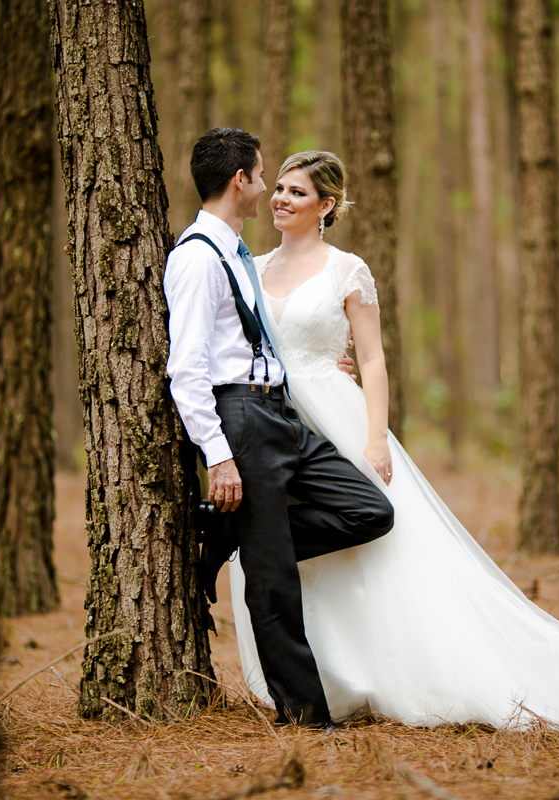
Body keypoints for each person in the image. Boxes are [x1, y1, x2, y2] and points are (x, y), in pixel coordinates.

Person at [227, 150, 559, 735]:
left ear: (326, 205)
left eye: (297, 192)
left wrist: (375, 437)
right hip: (271, 419)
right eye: (277, 188)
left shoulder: (347, 270)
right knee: (286, 544)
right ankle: (326, 675)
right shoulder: (249, 267)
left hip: (337, 414)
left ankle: (386, 670)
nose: (280, 199)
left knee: (374, 534)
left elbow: (374, 358)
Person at [164, 130, 395, 729]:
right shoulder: (198, 257)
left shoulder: (239, 254)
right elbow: (187, 370)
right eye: (266, 178)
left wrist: (326, 362)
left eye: (292, 187)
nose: (271, 191)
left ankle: (232, 534)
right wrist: (217, 455)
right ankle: (308, 718)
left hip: (282, 414)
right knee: (273, 584)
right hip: (242, 417)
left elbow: (267, 338)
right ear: (240, 179)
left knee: (370, 509)